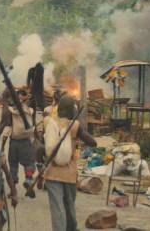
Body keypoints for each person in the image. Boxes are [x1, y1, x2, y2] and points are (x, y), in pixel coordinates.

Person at [42, 95, 97, 231]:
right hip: (69, 174)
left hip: (52, 173)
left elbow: (41, 147)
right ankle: (71, 228)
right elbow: (92, 142)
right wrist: (77, 129)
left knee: (57, 208)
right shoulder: (75, 126)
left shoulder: (49, 123)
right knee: (69, 205)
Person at [0, 89, 36, 189]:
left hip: (14, 143)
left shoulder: (10, 111)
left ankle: (13, 185)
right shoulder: (30, 110)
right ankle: (29, 179)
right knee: (29, 162)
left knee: (13, 164)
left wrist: (3, 146)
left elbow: (7, 129)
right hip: (26, 141)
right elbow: (33, 125)